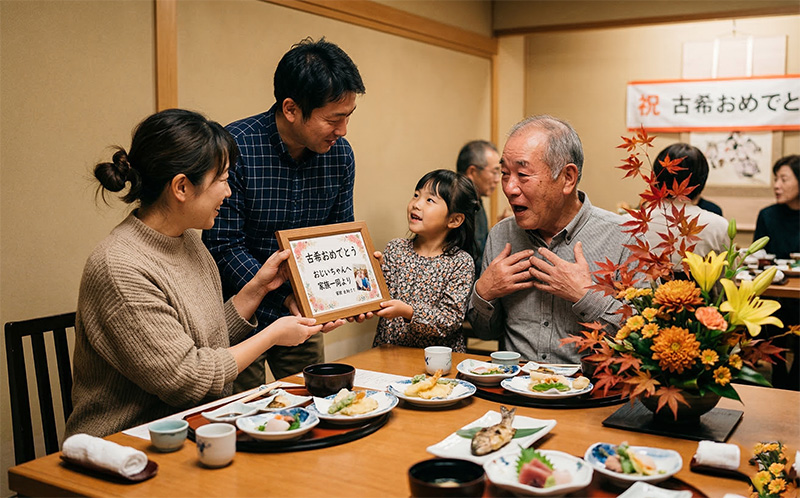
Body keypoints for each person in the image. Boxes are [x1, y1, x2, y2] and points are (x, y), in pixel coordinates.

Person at [66, 109, 323, 438]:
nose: (228, 192)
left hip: (198, 428)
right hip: (129, 445)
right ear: (182, 187)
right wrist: (272, 335)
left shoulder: (187, 240)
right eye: (222, 180)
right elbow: (187, 377)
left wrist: (257, 289)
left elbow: (205, 343)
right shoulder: (120, 266)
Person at [202, 37, 365, 390]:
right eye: (334, 119)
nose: (343, 131)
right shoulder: (237, 146)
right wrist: (286, 292)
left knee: (318, 397)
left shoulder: (340, 156)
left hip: (302, 314)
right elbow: (223, 244)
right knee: (244, 410)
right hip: (240, 313)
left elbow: (337, 238)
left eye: (348, 117)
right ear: (291, 109)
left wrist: (353, 285)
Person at [467, 115, 637, 364]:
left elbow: (641, 339)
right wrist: (484, 293)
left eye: (523, 174)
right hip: (515, 387)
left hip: (593, 395)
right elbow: (485, 333)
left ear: (568, 178)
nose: (510, 188)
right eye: (504, 173)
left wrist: (584, 296)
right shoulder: (502, 236)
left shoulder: (623, 237)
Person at [372, 169, 480, 352]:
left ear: (454, 220)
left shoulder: (460, 262)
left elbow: (449, 320)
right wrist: (373, 275)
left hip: (438, 363)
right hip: (390, 352)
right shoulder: (396, 249)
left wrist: (408, 311)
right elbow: (383, 300)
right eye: (416, 195)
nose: (416, 204)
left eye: (429, 200)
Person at [638, 143, 729, 269]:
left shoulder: (632, 221)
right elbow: (725, 282)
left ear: (655, 178)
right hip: (700, 288)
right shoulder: (719, 226)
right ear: (701, 182)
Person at [456, 140, 502, 276]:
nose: (497, 179)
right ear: (472, 171)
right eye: (494, 172)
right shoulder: (458, 206)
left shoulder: (477, 202)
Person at [754, 155, 799, 259]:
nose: (776, 186)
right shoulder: (767, 215)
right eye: (776, 179)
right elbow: (757, 255)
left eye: (783, 180)